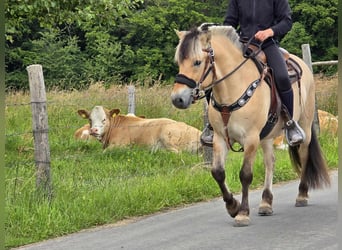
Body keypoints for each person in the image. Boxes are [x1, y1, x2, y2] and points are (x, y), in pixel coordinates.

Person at [200, 0, 305, 147]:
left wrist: (270, 31)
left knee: (282, 76)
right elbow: (230, 22)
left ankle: (290, 123)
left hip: (267, 44)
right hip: (241, 44)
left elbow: (286, 21)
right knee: (215, 75)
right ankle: (213, 126)